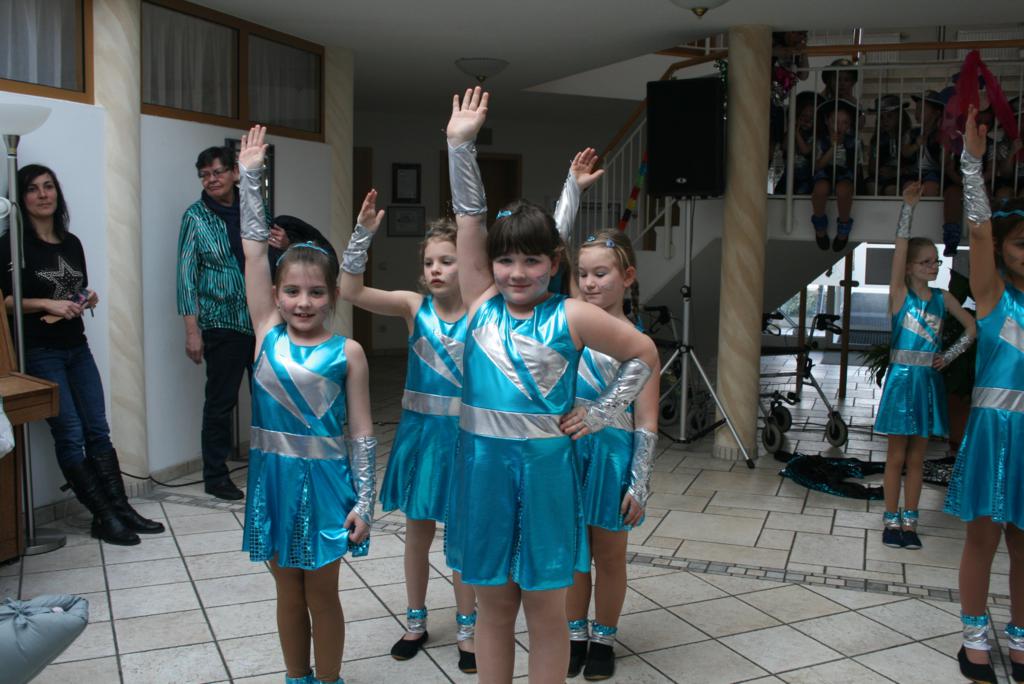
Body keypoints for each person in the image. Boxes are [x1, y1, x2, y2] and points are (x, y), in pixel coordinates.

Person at [442, 86, 659, 683]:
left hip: (546, 472)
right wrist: (460, 147)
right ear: (490, 264)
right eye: (506, 261)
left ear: (554, 263)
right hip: (482, 468)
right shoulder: (480, 302)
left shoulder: (572, 316)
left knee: (544, 612)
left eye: (533, 261)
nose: (517, 273)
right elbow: (469, 219)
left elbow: (643, 352)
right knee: (492, 607)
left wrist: (601, 413)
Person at [237, 126, 376, 684]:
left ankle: (330, 679)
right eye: (292, 291)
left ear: (333, 296)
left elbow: (362, 433)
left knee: (322, 593)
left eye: (316, 292)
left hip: (325, 484)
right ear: (275, 295)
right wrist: (250, 178)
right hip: (272, 478)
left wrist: (365, 501)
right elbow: (253, 251)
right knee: (286, 592)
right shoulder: (265, 333)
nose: (303, 302)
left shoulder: (349, 352)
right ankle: (296, 676)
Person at [338, 193, 477, 672]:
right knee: (417, 532)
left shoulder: (483, 310)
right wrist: (362, 234)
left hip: (464, 437)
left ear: (467, 263)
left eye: (447, 261)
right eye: (429, 262)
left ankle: (467, 629)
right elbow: (350, 290)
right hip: (420, 437)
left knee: (461, 535)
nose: (436, 269)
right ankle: (415, 621)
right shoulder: (414, 307)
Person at [0, 165, 163, 546]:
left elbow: (76, 286)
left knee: (97, 429)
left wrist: (84, 298)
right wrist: (47, 304)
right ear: (21, 198)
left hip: (77, 346)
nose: (43, 195)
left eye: (49, 187)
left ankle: (121, 509)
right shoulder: (12, 245)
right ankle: (103, 516)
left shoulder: (71, 242)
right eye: (33, 189)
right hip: (40, 351)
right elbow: (4, 301)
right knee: (71, 434)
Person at [944, 106, 1024, 684]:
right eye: (1020, 243)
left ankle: (1020, 638)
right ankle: (974, 637)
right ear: (1002, 249)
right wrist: (972, 166)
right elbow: (977, 232)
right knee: (983, 539)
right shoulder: (993, 296)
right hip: (996, 429)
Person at [564, 231, 658, 680]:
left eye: (600, 273)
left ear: (628, 276)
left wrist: (638, 483)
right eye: (583, 274)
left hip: (612, 460)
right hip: (567, 456)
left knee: (609, 555)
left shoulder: (637, 342)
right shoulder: (569, 331)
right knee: (572, 553)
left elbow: (647, 421)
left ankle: (603, 637)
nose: (589, 282)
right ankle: (574, 635)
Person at [873, 181, 975, 551]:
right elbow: (900, 248)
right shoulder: (899, 296)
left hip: (927, 381)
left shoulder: (943, 298)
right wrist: (908, 208)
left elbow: (972, 328)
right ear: (910, 267)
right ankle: (890, 518)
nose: (933, 266)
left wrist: (949, 356)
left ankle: (910, 520)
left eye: (936, 261)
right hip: (902, 381)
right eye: (926, 262)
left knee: (917, 458)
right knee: (896, 457)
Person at [176, 144, 252, 501]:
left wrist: (281, 243)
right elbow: (185, 277)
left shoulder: (253, 208)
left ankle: (271, 465)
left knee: (269, 398)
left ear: (234, 173)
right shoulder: (195, 217)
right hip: (221, 323)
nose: (211, 179)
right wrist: (192, 331)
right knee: (221, 402)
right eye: (204, 175)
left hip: (262, 320)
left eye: (217, 172)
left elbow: (270, 258)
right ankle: (216, 475)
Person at [811, 98, 858, 252]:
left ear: (849, 125)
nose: (839, 126)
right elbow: (818, 165)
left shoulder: (853, 141)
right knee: (820, 188)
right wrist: (833, 147)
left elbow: (855, 165)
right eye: (835, 121)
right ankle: (820, 225)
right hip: (824, 173)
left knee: (843, 190)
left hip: (844, 175)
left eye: (844, 122)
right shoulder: (821, 141)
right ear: (827, 121)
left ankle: (844, 227)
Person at [867, 95, 912, 196]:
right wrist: (878, 170)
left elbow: (914, 166)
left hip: (902, 177)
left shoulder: (907, 137)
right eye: (881, 117)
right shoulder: (877, 140)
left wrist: (896, 172)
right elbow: (872, 168)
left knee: (891, 190)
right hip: (881, 178)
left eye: (889, 116)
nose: (885, 121)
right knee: (871, 186)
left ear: (900, 116)